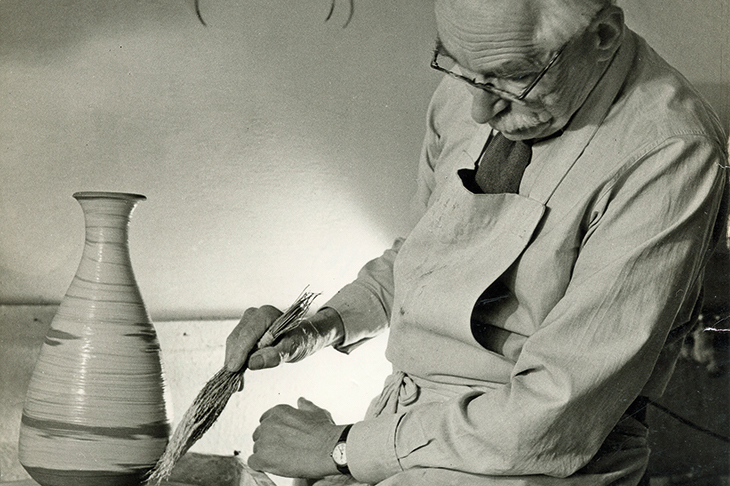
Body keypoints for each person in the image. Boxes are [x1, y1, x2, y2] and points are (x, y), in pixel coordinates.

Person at [224, 0, 728, 484]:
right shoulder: (469, 93)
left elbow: (554, 412)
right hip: (406, 432)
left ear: (603, 36)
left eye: (513, 76)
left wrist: (341, 450)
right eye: (459, 66)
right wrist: (318, 327)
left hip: (535, 462)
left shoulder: (669, 151)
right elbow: (426, 256)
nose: (480, 108)